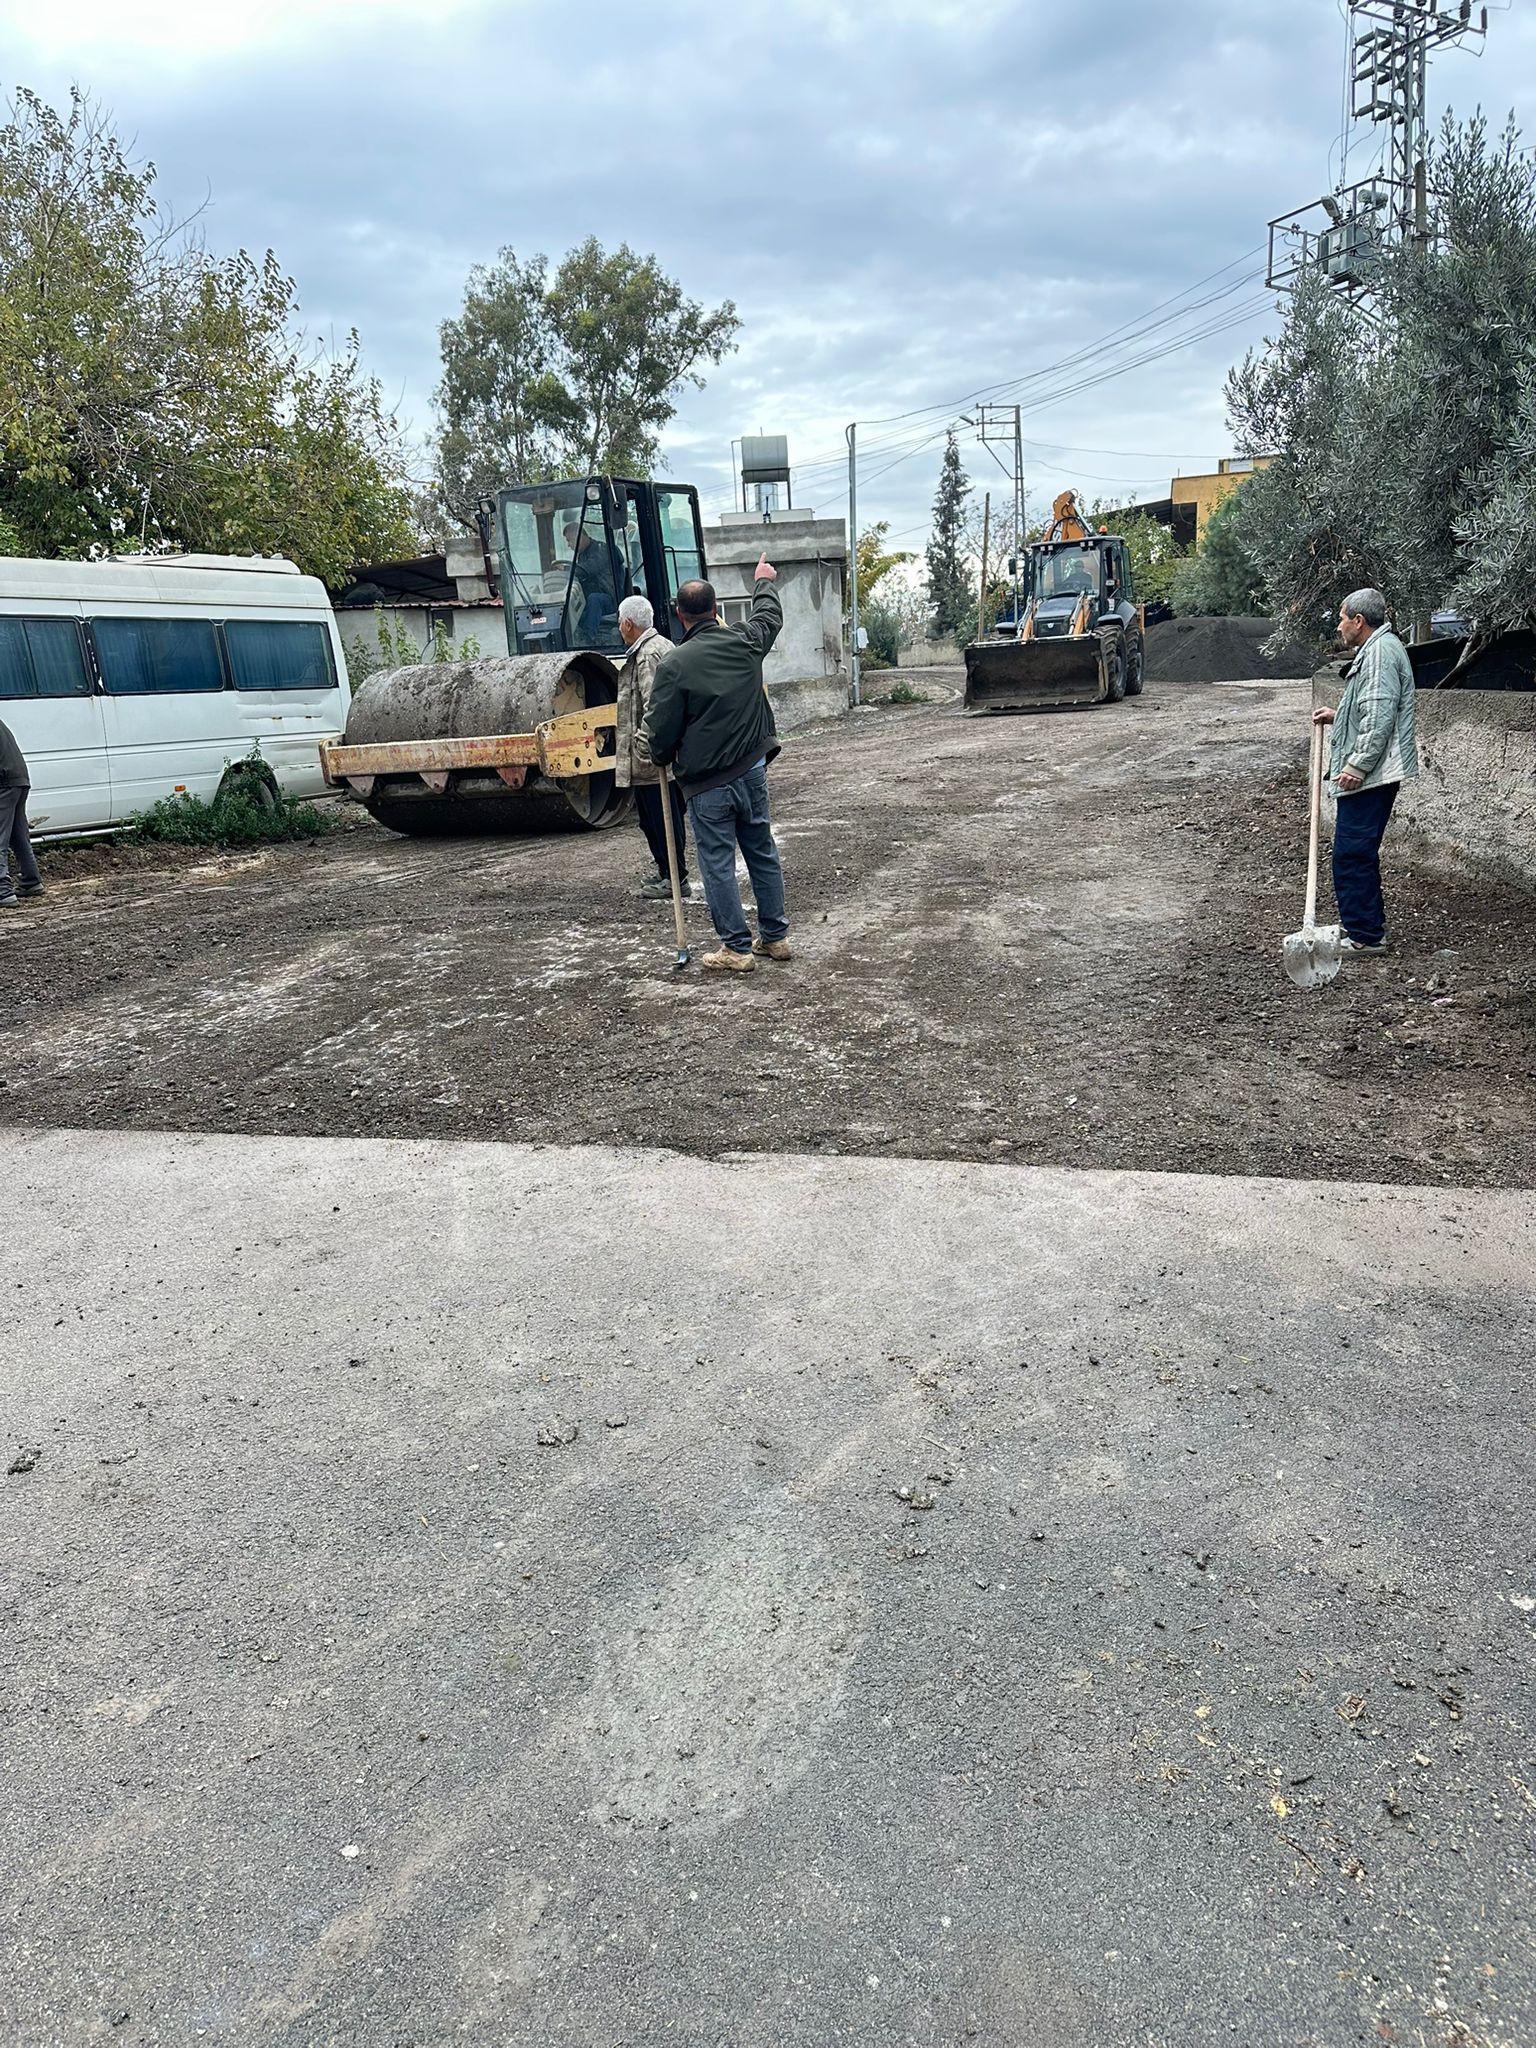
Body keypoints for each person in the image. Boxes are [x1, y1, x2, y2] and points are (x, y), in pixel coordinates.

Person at [639, 555, 790, 975]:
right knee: (761, 850)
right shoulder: (744, 641)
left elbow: (662, 729)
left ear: (678, 614)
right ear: (716, 607)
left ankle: (737, 948)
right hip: (752, 770)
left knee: (718, 863)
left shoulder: (674, 664)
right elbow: (768, 615)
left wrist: (659, 755)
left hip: (707, 785)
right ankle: (775, 938)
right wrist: (762, 580)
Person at [1313, 587, 1419, 955]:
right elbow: (1368, 707)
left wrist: (1356, 765)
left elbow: (1378, 718)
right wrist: (1337, 714)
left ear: (1359, 621)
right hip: (1374, 770)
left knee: (1352, 852)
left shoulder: (1378, 655)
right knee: (1355, 851)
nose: (1339, 625)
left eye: (1342, 618)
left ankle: (1366, 937)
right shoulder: (1377, 649)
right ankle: (1363, 929)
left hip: (1372, 773)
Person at [614, 594, 691, 901]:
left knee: (659, 819)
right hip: (667, 754)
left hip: (654, 760)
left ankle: (674, 877)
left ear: (627, 623)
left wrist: (645, 747)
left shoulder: (647, 656)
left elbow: (653, 707)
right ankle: (668, 873)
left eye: (620, 622)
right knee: (663, 816)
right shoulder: (664, 646)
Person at [0, 715, 43, 909]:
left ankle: (2, 890)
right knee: (18, 836)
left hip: (4, 781)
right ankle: (31, 881)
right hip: (19, 779)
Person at [563, 519, 618, 644]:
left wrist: (566, 569)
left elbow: (588, 569)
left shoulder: (602, 549)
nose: (568, 545)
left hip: (610, 598)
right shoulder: (583, 554)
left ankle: (589, 639)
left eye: (569, 540)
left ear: (579, 537)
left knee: (594, 599)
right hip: (589, 599)